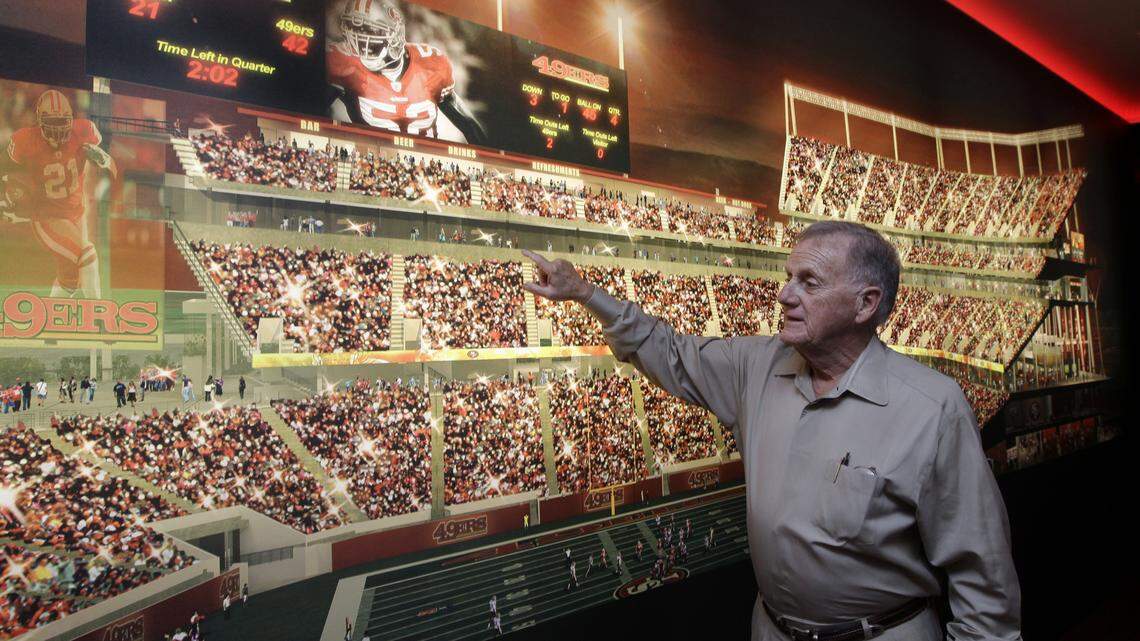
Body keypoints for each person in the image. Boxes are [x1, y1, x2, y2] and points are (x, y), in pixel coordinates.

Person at [520, 220, 1021, 641]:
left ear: (866, 305)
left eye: (810, 281)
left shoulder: (931, 408)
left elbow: (984, 575)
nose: (785, 294)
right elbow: (667, 350)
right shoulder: (753, 367)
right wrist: (585, 293)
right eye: (788, 277)